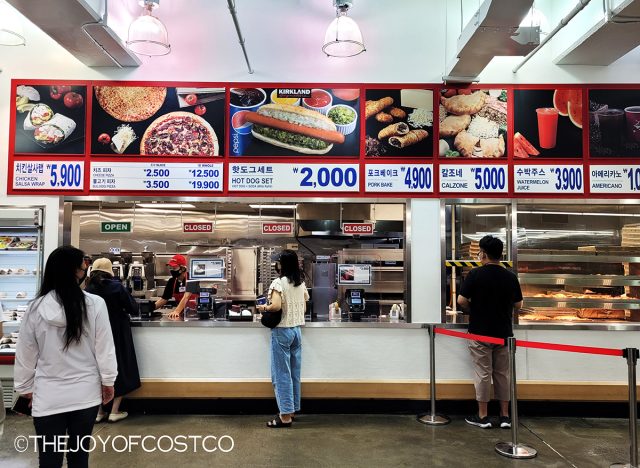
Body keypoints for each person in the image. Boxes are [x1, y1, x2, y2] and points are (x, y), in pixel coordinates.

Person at [14, 245, 117, 467]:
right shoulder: (95, 304)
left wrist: (24, 389)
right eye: (83, 267)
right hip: (85, 393)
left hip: (48, 395)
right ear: (75, 272)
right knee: (79, 457)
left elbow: (25, 352)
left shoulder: (35, 308)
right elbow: (105, 349)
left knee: (49, 459)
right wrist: (108, 382)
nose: (84, 272)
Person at [457, 235, 523, 430]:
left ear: (483, 254)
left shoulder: (475, 274)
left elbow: (461, 301)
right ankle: (504, 416)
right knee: (502, 374)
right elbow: (519, 304)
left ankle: (483, 416)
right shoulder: (510, 276)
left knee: (483, 374)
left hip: (480, 332)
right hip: (503, 332)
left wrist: (473, 310)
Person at [256, 250, 309, 428]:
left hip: (282, 332)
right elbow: (304, 308)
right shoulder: (300, 283)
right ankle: (292, 410)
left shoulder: (278, 283)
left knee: (281, 375)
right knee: (294, 373)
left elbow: (276, 306)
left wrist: (263, 307)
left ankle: (285, 416)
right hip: (296, 332)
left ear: (282, 264)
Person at [86, 258, 141, 423]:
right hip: (117, 331)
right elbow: (133, 308)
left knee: (97, 369)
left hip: (94, 333)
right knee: (120, 366)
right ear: (110, 271)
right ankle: (114, 411)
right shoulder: (117, 287)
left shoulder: (87, 289)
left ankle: (98, 411)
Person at [154, 254, 197, 319]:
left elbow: (186, 296)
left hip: (195, 314)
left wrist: (176, 311)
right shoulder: (172, 281)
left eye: (174, 268)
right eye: (170, 268)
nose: (171, 270)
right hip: (182, 314)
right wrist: (150, 308)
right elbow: (164, 299)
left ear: (182, 269)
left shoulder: (192, 278)